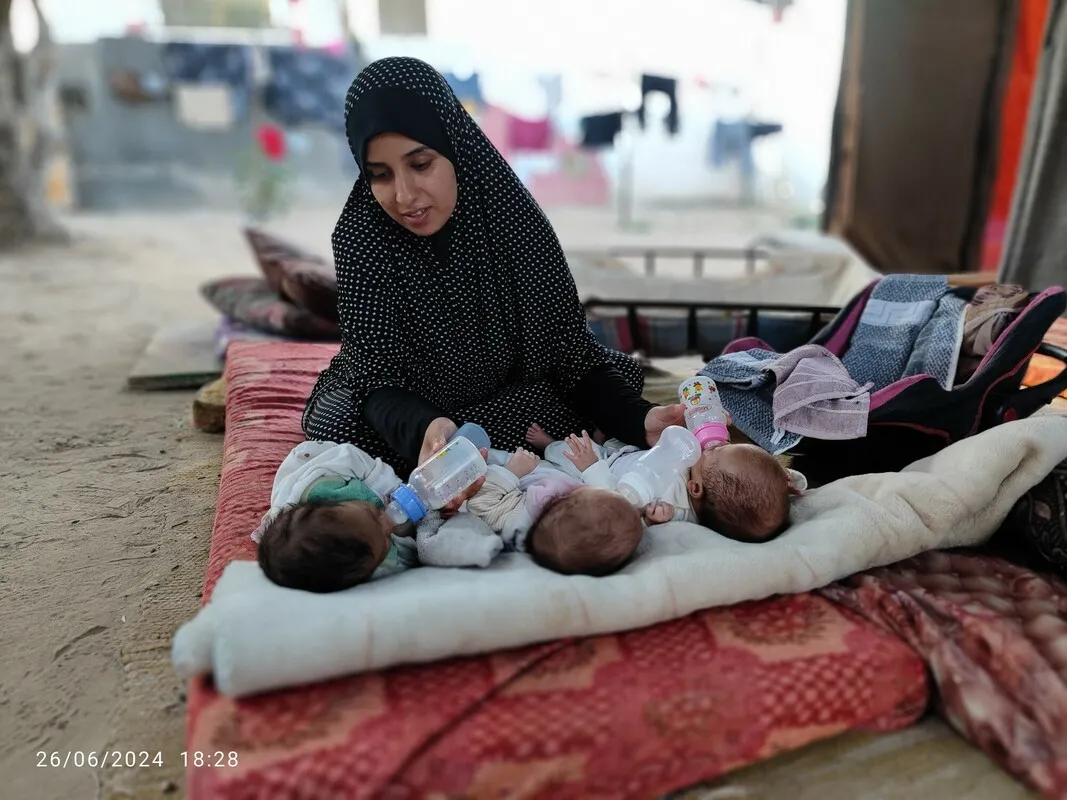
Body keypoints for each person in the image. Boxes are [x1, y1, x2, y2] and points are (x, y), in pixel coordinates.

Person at [302, 56, 684, 478]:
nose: (405, 195)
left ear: (453, 145)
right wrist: (425, 428)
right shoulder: (360, 237)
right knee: (335, 425)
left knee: (599, 387)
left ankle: (473, 440)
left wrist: (637, 419)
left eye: (421, 164)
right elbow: (376, 375)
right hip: (408, 404)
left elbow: (568, 351)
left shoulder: (512, 221)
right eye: (380, 174)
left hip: (507, 393)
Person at [533, 427, 806, 541]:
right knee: (613, 440)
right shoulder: (703, 476)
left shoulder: (672, 507)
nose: (714, 445)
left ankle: (548, 446)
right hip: (626, 455)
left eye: (715, 452)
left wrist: (592, 467)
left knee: (566, 456)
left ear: (695, 489)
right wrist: (786, 480)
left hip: (603, 471)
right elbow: (766, 482)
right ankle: (602, 441)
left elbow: (618, 503)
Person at [466, 448, 645, 575]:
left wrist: (513, 470)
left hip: (513, 470)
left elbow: (482, 503)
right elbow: (616, 519)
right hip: (544, 468)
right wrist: (650, 519)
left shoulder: (516, 521)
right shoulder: (569, 524)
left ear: (562, 500)